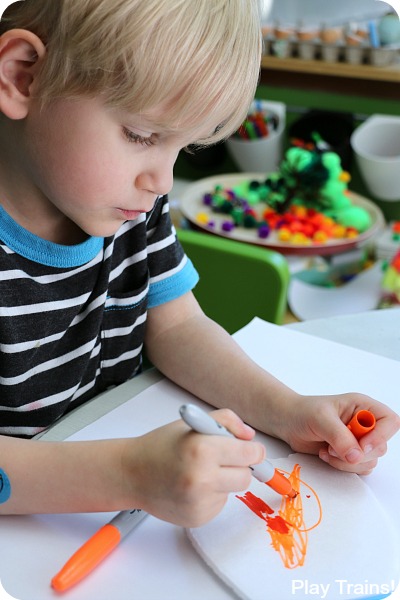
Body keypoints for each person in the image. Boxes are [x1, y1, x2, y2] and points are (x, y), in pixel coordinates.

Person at [0, 0, 398, 526]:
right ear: (24, 76)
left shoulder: (129, 205)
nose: (162, 182)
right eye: (142, 136)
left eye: (183, 149)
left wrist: (289, 411)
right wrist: (125, 474)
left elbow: (179, 327)